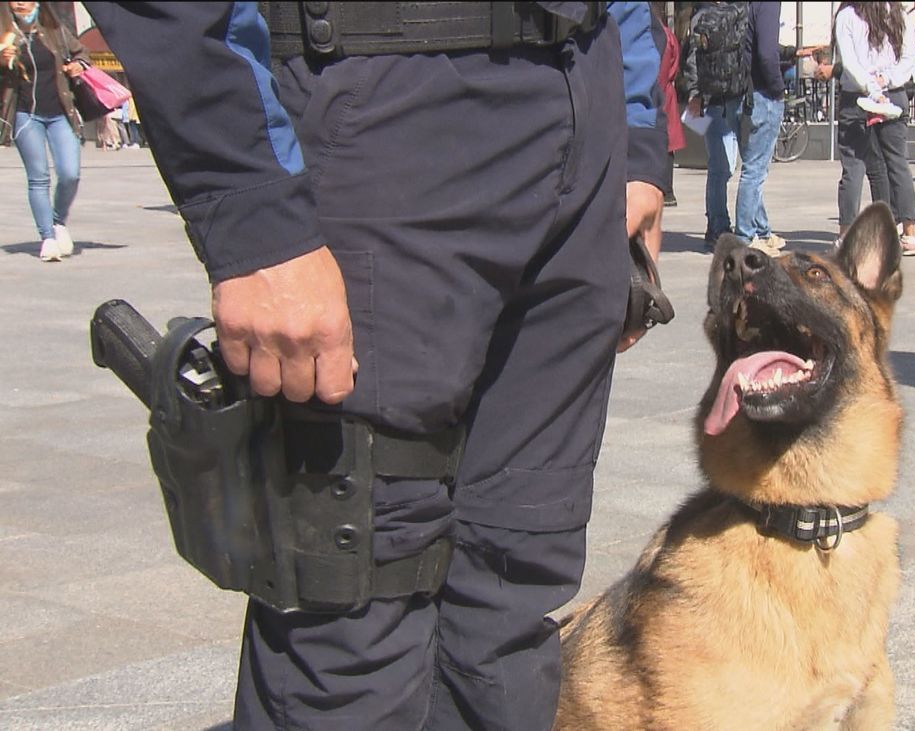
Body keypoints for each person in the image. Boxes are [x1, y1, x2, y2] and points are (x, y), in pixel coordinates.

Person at [84, 2, 666, 729]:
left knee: (515, 584)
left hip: (584, 98)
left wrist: (637, 126)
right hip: (378, 100)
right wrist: (251, 208)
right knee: (352, 599)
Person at [684, 1, 786, 253]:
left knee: (737, 168)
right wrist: (778, 89)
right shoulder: (730, 11)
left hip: (723, 98)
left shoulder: (714, 13)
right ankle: (732, 232)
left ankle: (750, 229)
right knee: (738, 169)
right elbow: (763, 53)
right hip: (730, 97)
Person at [0, 1, 88, 262]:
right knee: (38, 178)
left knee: (70, 173)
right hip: (26, 115)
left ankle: (58, 221)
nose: (20, 2)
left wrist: (78, 65)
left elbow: (81, 52)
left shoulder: (54, 28)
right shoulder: (5, 30)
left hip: (60, 112)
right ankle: (47, 237)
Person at [833, 2, 915, 256]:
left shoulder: (847, 15)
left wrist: (871, 87)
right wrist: (886, 80)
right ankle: (909, 234)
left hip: (857, 96)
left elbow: (849, 62)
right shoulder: (900, 14)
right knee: (897, 163)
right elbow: (908, 59)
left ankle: (845, 236)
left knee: (853, 167)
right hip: (893, 93)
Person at [652, 1, 684, 208]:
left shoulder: (643, 34)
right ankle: (668, 190)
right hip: (666, 94)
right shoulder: (668, 35)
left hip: (652, 92)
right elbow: (674, 66)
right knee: (668, 145)